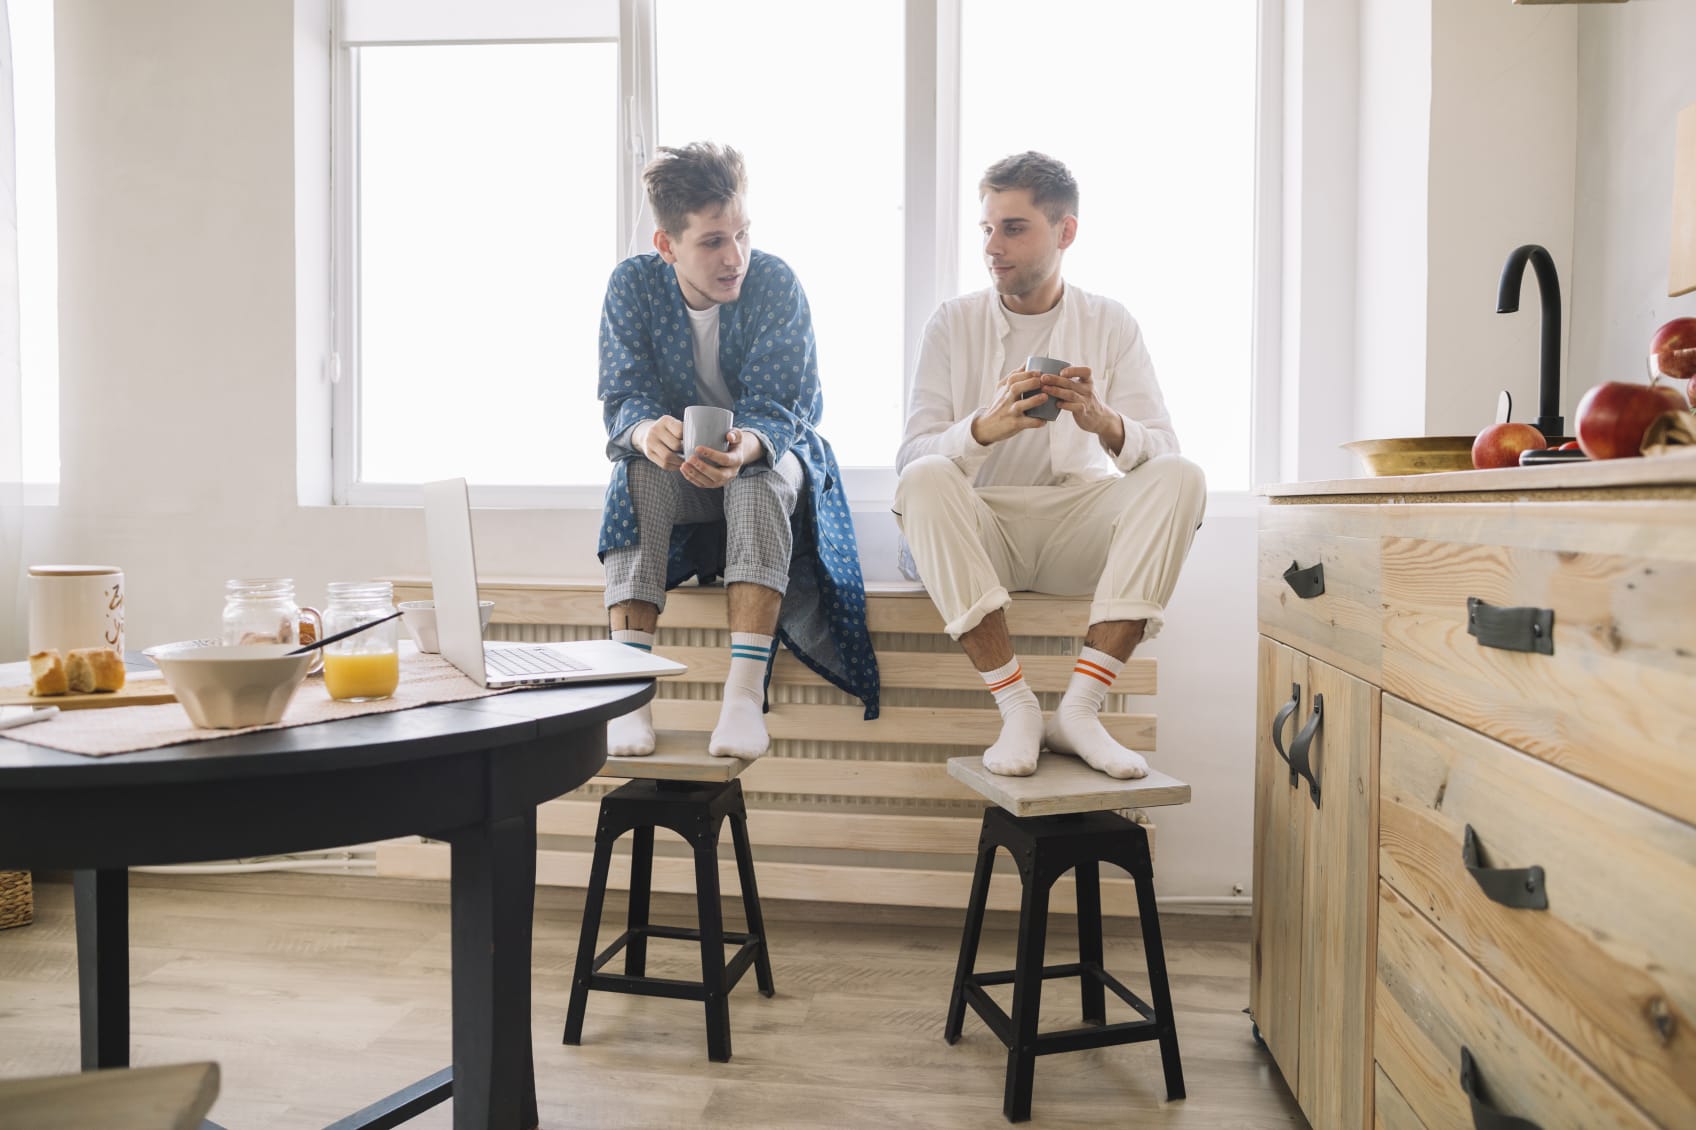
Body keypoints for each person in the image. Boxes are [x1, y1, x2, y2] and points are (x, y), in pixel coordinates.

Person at [894, 151, 1204, 779]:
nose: (992, 246)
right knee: (924, 477)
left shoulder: (1110, 322)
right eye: (986, 228)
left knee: (1185, 477)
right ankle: (1018, 708)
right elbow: (910, 459)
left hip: (1076, 525)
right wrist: (985, 428)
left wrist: (1104, 422)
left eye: (1013, 228)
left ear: (1065, 233)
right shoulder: (952, 324)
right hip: (983, 525)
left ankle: (1081, 711)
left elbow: (1164, 449)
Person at [598, 141, 879, 760]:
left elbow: (783, 406)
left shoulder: (774, 282)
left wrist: (746, 446)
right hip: (675, 476)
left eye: (743, 235)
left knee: (759, 477)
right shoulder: (632, 288)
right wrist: (650, 434)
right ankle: (628, 691)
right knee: (635, 473)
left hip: (769, 462)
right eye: (713, 242)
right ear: (666, 245)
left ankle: (744, 694)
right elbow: (623, 399)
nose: (736, 258)